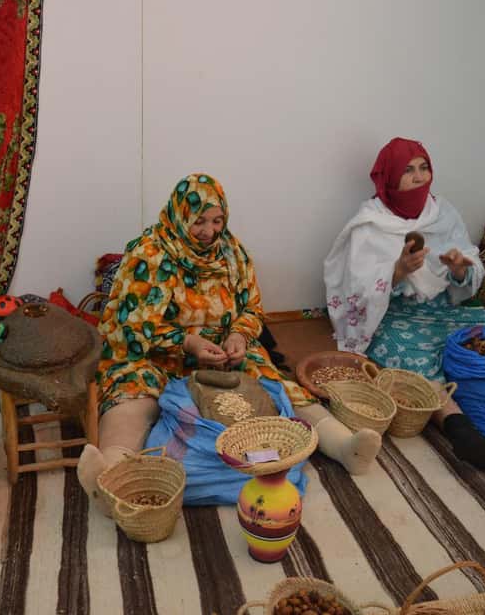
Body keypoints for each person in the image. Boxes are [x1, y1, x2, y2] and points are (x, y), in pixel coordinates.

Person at [78, 174, 382, 509]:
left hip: (223, 351)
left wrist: (239, 335)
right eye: (199, 222)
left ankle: (344, 446)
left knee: (273, 382)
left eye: (217, 220)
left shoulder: (232, 253)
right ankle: (110, 472)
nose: (209, 231)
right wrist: (189, 343)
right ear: (180, 215)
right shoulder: (149, 255)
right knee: (132, 391)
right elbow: (132, 328)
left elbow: (251, 307)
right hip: (157, 355)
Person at [323, 138, 485, 471]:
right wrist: (398, 271)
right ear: (390, 178)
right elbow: (355, 289)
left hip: (445, 310)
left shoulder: (443, 213)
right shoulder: (369, 224)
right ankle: (458, 427)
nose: (419, 177)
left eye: (424, 168)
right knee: (414, 360)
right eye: (408, 170)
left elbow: (470, 267)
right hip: (394, 316)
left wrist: (460, 270)